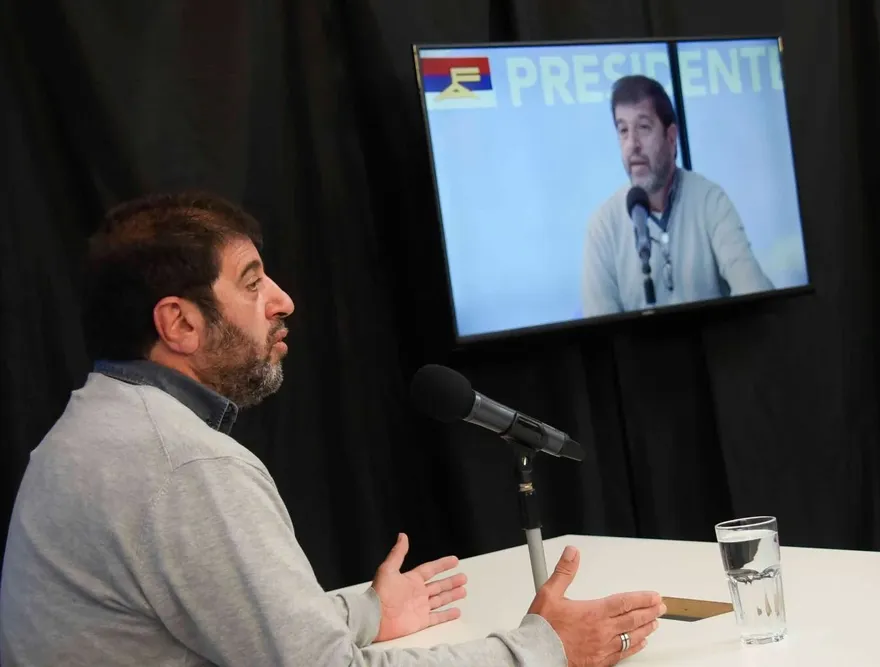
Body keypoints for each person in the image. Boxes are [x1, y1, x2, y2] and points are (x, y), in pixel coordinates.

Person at [0, 192, 666, 666]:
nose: (283, 300)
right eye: (252, 281)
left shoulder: (96, 426)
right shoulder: (184, 466)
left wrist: (368, 612)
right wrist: (544, 649)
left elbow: (231, 628)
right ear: (179, 322)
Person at [581, 74, 774, 317]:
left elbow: (755, 292)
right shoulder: (603, 227)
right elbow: (599, 338)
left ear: (671, 138)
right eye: (623, 130)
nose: (632, 145)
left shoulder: (709, 201)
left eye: (643, 127)